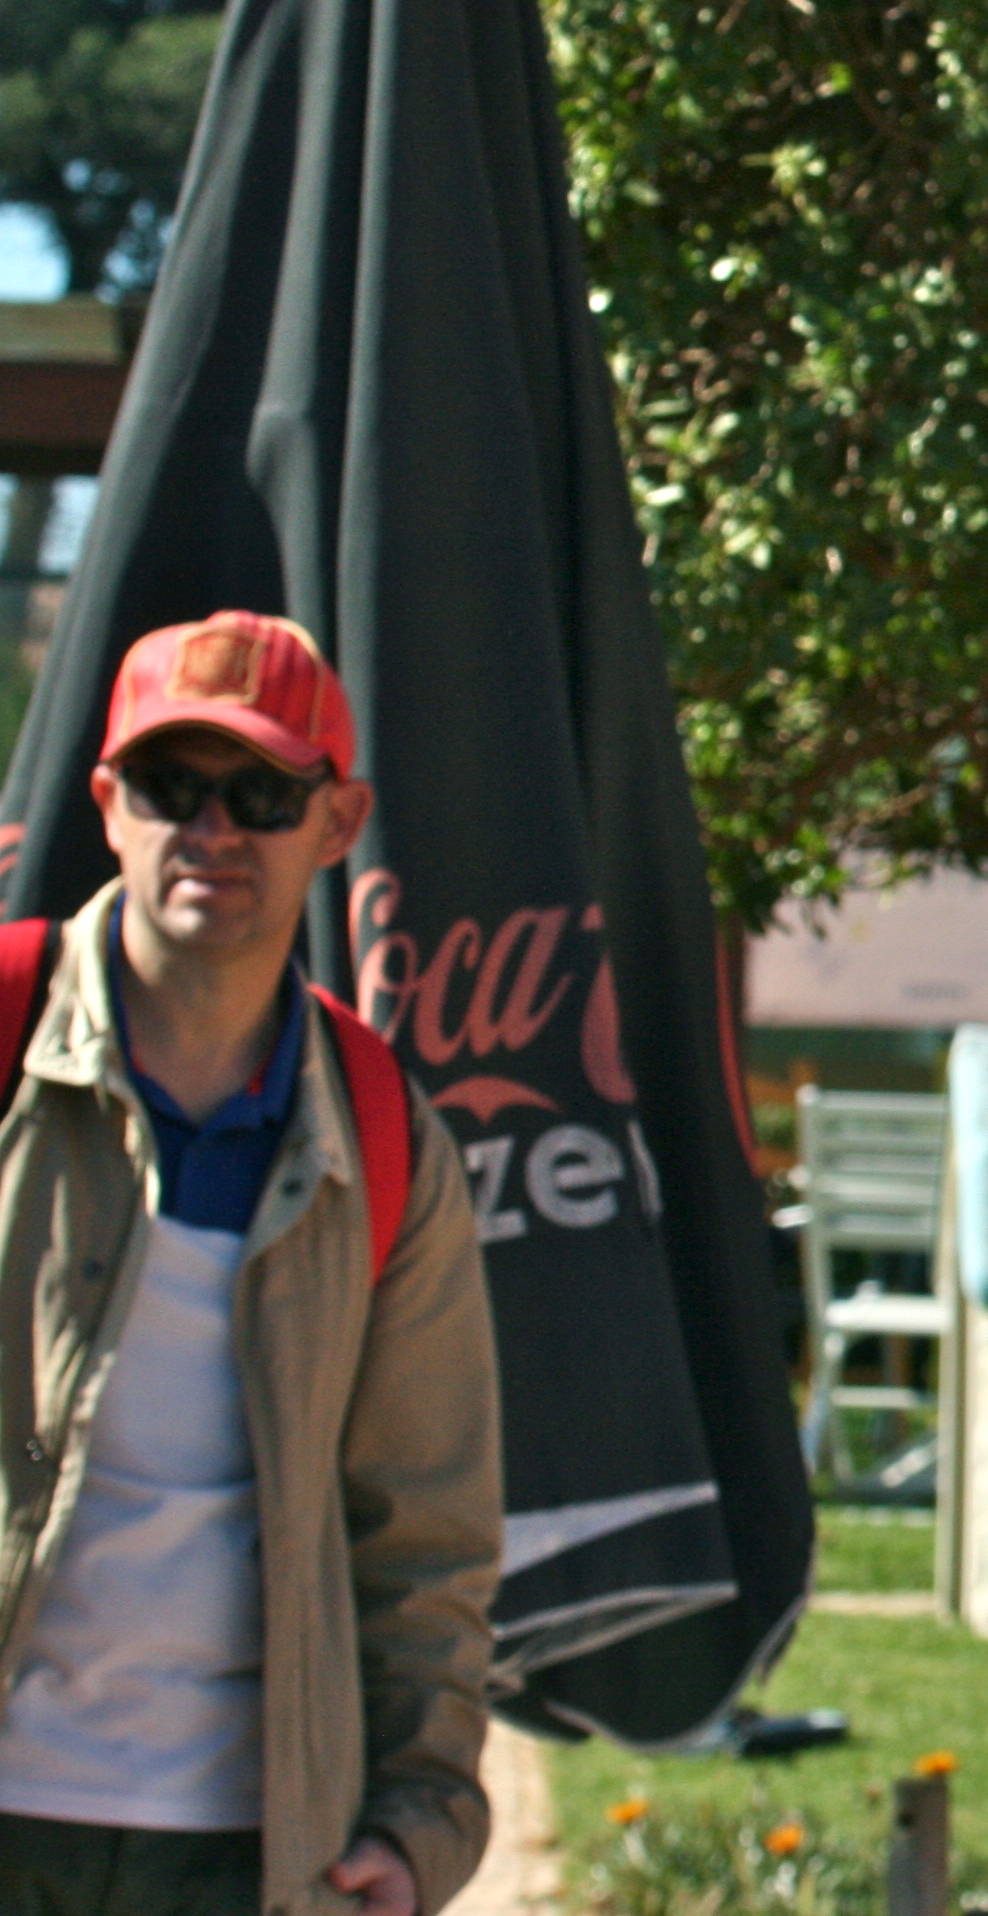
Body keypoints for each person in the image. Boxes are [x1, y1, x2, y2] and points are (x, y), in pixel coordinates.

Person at [0, 612, 499, 1916]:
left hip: (248, 1847)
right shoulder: (6, 1031)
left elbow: (427, 1528)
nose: (213, 830)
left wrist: (420, 1822)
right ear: (108, 805)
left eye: (264, 794)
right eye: (172, 785)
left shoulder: (384, 1137)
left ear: (338, 823)